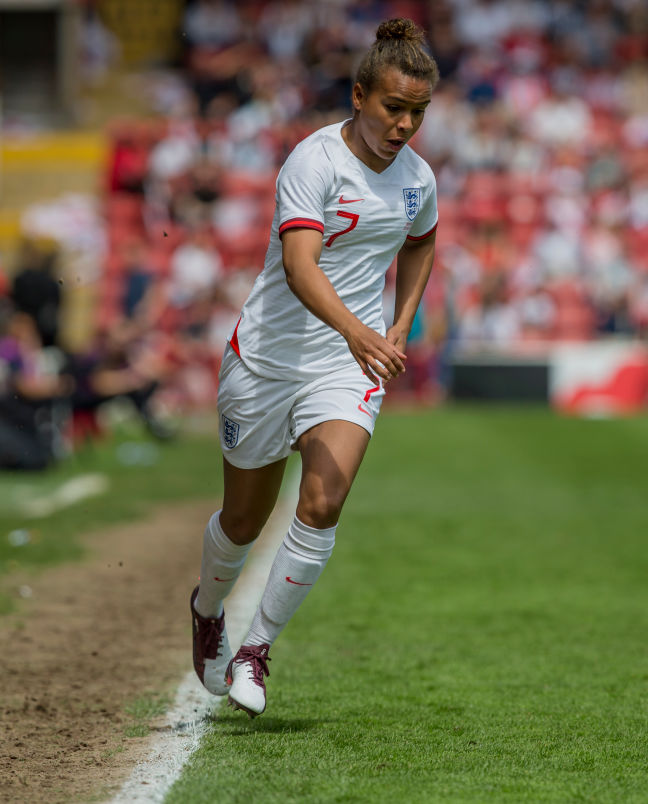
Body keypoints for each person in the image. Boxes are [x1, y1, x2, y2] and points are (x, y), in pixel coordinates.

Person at [188, 18, 439, 718]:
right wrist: (364, 330)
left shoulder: (419, 179)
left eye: (417, 112)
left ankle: (256, 649)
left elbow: (423, 242)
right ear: (359, 95)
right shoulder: (314, 161)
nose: (404, 125)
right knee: (244, 521)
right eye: (393, 107)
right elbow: (300, 268)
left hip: (344, 363)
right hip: (267, 358)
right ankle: (209, 612)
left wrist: (397, 322)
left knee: (325, 500)